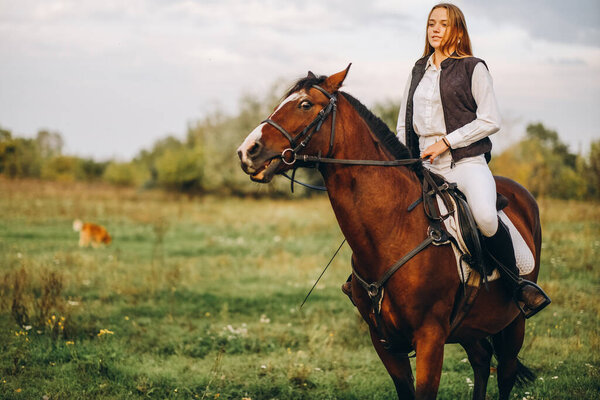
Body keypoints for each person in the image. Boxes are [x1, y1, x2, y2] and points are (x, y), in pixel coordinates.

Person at [343, 3, 550, 318]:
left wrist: (446, 142)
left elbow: (490, 119)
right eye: (431, 24)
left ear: (458, 30)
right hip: (422, 164)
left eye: (443, 24)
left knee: (484, 216)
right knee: (385, 211)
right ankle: (362, 281)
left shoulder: (473, 67)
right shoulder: (417, 69)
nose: (435, 29)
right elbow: (404, 122)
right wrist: (403, 158)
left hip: (466, 163)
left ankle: (516, 284)